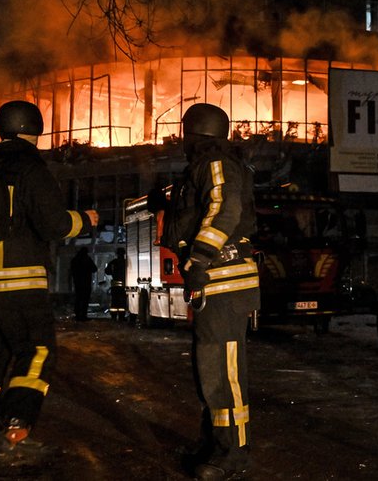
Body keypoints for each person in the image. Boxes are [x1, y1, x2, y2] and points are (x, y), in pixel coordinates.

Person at [0, 100, 98, 467]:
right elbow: (53, 224)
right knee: (36, 352)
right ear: (35, 130)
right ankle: (14, 433)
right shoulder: (30, 165)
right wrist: (84, 219)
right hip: (18, 279)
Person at [156, 103, 260, 481]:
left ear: (195, 133)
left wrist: (199, 259)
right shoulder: (205, 165)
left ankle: (234, 454)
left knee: (225, 374)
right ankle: (214, 443)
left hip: (224, 281)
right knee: (210, 372)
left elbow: (225, 208)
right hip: (215, 282)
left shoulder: (215, 162)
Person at [70, 247, 97, 322]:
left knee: (78, 299)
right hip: (86, 283)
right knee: (85, 300)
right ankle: (83, 316)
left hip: (78, 283)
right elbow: (94, 269)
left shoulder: (75, 260)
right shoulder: (87, 259)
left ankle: (78, 315)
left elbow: (72, 271)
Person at [105, 247, 128, 321]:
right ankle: (121, 317)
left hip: (115, 287)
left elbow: (107, 271)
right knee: (122, 302)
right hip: (123, 286)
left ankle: (114, 316)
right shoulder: (125, 262)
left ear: (117, 254)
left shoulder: (113, 262)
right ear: (124, 254)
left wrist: (113, 273)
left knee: (114, 302)